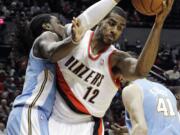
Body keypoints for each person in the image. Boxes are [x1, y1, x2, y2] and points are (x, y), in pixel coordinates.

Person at [49, 0, 174, 135]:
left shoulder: (117, 59)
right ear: (101, 20)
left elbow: (141, 71)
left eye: (120, 28)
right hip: (53, 114)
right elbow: (50, 33)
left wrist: (158, 24)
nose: (115, 31)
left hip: (87, 126)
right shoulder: (78, 34)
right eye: (112, 24)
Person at [6, 0, 121, 134]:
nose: (62, 26)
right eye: (58, 23)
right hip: (31, 110)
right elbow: (52, 51)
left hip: (37, 116)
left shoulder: (64, 55)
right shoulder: (47, 36)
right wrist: (73, 40)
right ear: (47, 26)